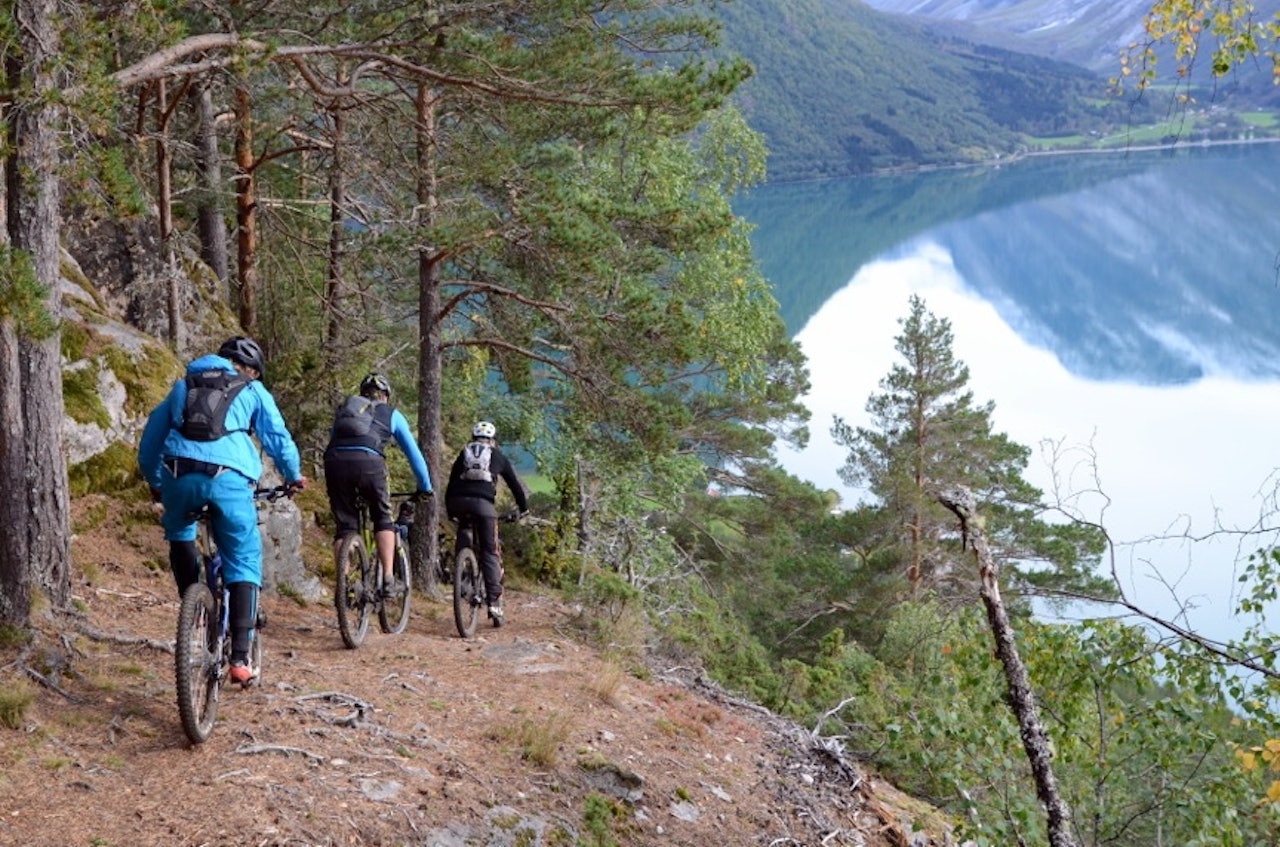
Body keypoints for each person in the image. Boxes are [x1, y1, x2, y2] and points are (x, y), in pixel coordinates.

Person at [138, 335, 307, 685]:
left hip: (178, 474)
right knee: (243, 557)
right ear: (251, 370)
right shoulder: (252, 389)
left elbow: (151, 440)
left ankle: (194, 611)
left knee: (180, 532)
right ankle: (241, 659)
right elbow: (277, 437)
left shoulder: (184, 385)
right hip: (229, 479)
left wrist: (156, 481)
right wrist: (293, 476)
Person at [323, 373, 434, 598]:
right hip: (369, 463)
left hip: (334, 461)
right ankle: (388, 580)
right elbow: (414, 455)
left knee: (345, 526)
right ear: (385, 395)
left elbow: (333, 438)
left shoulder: (346, 410)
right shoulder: (392, 414)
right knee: (383, 518)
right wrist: (425, 487)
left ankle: (343, 586)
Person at [445, 420, 529, 626]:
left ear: (474, 438)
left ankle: (463, 575)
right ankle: (494, 604)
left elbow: (451, 483)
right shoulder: (497, 455)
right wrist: (523, 509)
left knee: (464, 535)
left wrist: (450, 511)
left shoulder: (464, 454)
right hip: (484, 507)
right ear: (493, 440)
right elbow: (515, 485)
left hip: (458, 503)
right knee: (491, 552)